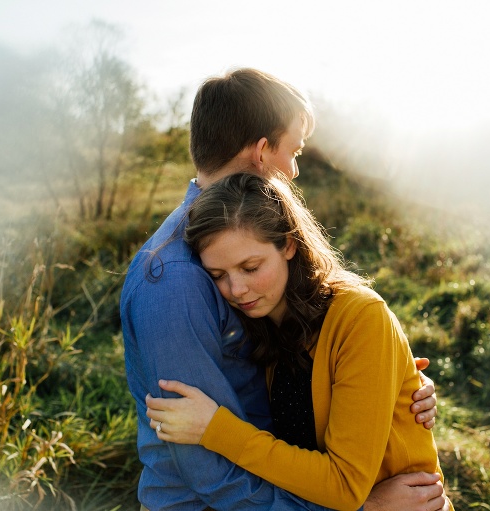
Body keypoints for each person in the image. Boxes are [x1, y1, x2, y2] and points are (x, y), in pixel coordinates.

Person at [120, 68, 445, 510]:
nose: (294, 171)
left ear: (287, 246)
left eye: (251, 267)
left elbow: (330, 366)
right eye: (293, 152)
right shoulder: (175, 277)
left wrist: (393, 385)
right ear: (260, 153)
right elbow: (208, 474)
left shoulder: (276, 300)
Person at [144, 173, 452, 511]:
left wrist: (217, 429)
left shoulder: (360, 317)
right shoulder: (260, 327)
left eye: (250, 267)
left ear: (289, 244)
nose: (236, 289)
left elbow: (345, 486)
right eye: (218, 275)